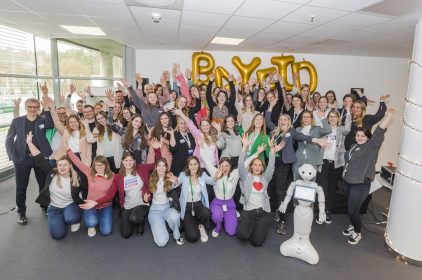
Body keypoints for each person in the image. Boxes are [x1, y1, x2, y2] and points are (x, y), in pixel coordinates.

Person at [342, 108, 395, 245]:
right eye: (358, 135)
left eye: (363, 136)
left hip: (360, 184)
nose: (360, 138)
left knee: (353, 210)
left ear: (368, 138)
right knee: (351, 208)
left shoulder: (371, 147)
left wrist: (388, 117)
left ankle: (357, 231)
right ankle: (353, 225)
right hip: (348, 182)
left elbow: (379, 132)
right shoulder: (353, 146)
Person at [6, 82, 54, 224]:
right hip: (22, 159)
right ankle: (21, 212)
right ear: (26, 108)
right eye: (30, 107)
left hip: (40, 158)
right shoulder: (17, 121)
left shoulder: (43, 120)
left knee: (43, 184)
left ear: (38, 108)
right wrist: (12, 156)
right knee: (21, 187)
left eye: (35, 107)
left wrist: (45, 95)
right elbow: (9, 140)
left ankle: (44, 206)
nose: (33, 109)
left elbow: (51, 124)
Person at [26, 131, 83, 240]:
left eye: (65, 165)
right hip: (54, 208)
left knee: (72, 218)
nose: (62, 167)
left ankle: (71, 219)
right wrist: (29, 143)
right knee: (58, 235)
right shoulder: (51, 173)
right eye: (59, 165)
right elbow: (39, 159)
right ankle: (61, 220)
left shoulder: (76, 178)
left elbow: (86, 190)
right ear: (56, 166)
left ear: (70, 166)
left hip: (69, 205)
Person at [105, 141, 161, 239]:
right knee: (126, 234)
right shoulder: (118, 177)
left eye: (131, 160)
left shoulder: (142, 168)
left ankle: (140, 221)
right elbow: (110, 195)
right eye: (126, 160)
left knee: (134, 218)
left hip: (142, 203)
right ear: (122, 161)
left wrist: (157, 150)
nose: (128, 163)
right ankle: (134, 218)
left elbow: (158, 164)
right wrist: (95, 202)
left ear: (134, 161)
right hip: (128, 206)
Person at [237, 134, 282, 246]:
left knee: (256, 243)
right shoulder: (245, 176)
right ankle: (249, 224)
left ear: (262, 168)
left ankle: (259, 226)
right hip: (249, 211)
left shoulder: (265, 179)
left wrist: (272, 149)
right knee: (242, 236)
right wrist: (245, 146)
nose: (257, 167)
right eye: (255, 165)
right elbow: (240, 164)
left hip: (263, 213)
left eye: (260, 165)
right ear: (251, 166)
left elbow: (271, 166)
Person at [66, 148, 115, 237]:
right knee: (90, 223)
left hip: (105, 206)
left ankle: (101, 216)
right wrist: (68, 150)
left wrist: (96, 202)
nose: (99, 167)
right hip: (90, 205)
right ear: (93, 166)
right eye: (96, 165)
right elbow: (78, 163)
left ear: (106, 165)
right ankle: (92, 224)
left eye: (101, 165)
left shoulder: (112, 176)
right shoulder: (90, 173)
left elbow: (111, 195)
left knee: (106, 232)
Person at [316, 107, 351, 224]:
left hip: (336, 164)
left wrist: (349, 112)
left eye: (334, 117)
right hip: (323, 163)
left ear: (338, 118)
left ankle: (327, 211)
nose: (332, 119)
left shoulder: (341, 130)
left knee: (331, 189)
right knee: (322, 188)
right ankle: (320, 211)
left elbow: (348, 128)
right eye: (330, 117)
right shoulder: (323, 129)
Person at [172, 156, 215, 243]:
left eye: (195, 164)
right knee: (192, 237)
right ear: (187, 166)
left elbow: (211, 181)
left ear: (198, 165)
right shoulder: (183, 175)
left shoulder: (202, 175)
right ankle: (194, 222)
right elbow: (177, 182)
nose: (193, 167)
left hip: (198, 205)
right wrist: (175, 181)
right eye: (190, 164)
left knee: (207, 212)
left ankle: (201, 226)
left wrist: (216, 177)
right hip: (187, 207)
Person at [149, 158, 184, 246]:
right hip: (155, 210)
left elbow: (178, 182)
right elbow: (145, 192)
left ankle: (177, 235)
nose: (161, 168)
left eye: (163, 166)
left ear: (166, 167)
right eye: (159, 166)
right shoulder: (151, 179)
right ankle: (162, 226)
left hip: (167, 208)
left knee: (175, 217)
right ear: (156, 167)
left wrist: (176, 181)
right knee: (161, 242)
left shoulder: (170, 177)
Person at [204, 157, 239, 237]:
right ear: (219, 166)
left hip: (229, 204)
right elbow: (207, 162)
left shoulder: (234, 174)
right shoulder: (215, 172)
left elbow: (245, 164)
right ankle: (218, 226)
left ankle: (231, 213)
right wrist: (201, 146)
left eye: (227, 165)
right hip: (217, 203)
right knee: (217, 216)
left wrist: (256, 153)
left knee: (232, 232)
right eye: (222, 166)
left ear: (230, 166)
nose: (224, 168)